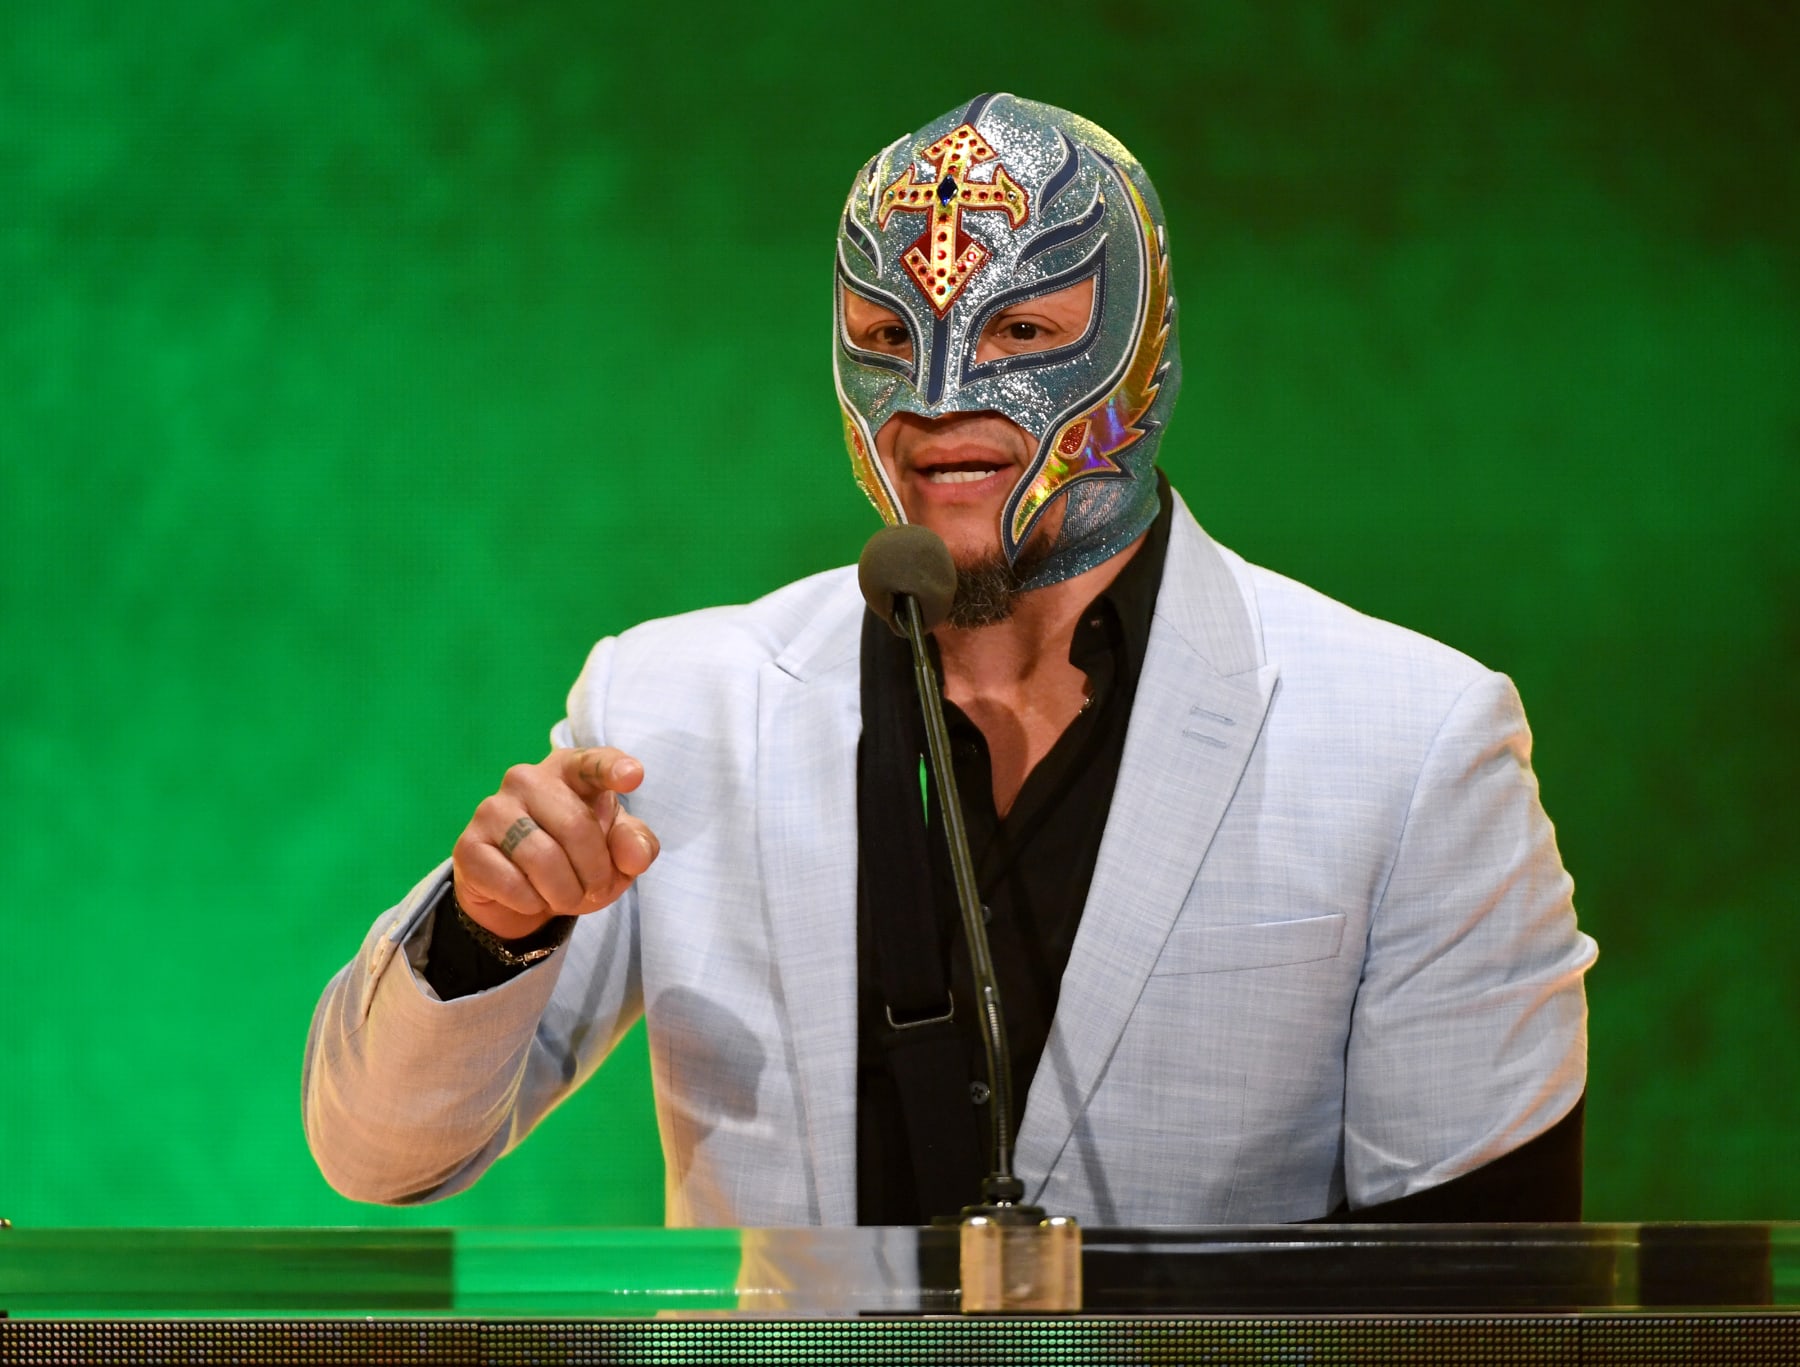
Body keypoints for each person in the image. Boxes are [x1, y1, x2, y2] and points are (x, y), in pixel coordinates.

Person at [303, 93, 1596, 1228]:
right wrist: (492, 926)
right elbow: (378, 1156)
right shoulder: (670, 705)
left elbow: (1486, 1278)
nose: (936, 395)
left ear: (1147, 342)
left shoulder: (1410, 736)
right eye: (880, 333)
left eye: (1027, 333)